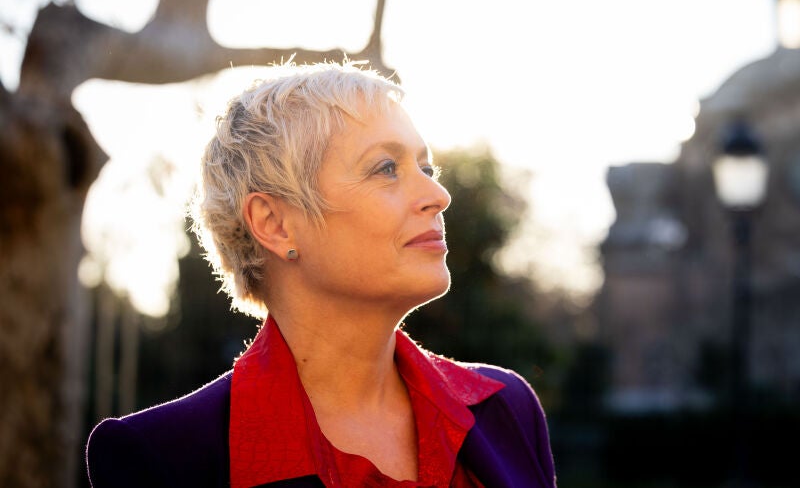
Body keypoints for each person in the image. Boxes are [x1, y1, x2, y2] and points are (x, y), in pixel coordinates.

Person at [85, 62, 556, 488]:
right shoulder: (161, 459)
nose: (438, 195)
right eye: (386, 168)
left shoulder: (508, 408)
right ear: (274, 223)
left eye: (427, 168)